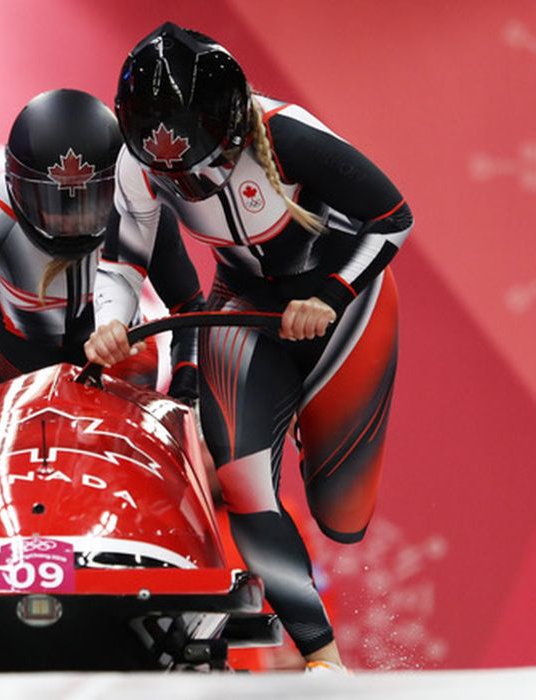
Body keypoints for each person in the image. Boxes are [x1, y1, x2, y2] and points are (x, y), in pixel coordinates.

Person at [84, 23, 413, 673]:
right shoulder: (137, 165)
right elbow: (122, 264)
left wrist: (332, 294)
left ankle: (318, 433)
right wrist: (110, 322)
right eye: (172, 175)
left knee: (341, 513)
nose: (189, 184)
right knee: (242, 480)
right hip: (243, 301)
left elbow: (393, 217)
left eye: (202, 167)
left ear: (235, 131)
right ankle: (325, 662)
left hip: (345, 306)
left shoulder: (289, 136)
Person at [0, 88, 203, 400]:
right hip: (21, 362)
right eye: (52, 204)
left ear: (118, 185)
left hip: (118, 360)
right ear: (15, 188)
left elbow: (188, 308)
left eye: (89, 203)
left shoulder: (141, 206)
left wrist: (186, 388)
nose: (70, 224)